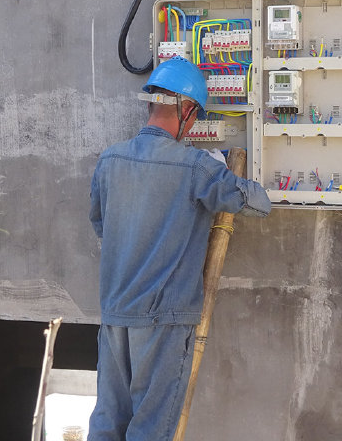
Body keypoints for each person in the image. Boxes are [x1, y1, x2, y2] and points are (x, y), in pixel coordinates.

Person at [87, 56, 271, 441]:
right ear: (187, 111)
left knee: (106, 424)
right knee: (150, 430)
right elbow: (258, 203)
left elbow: (101, 224)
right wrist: (220, 166)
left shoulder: (109, 160)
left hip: (115, 316)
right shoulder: (196, 167)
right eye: (196, 116)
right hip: (163, 321)